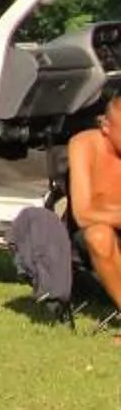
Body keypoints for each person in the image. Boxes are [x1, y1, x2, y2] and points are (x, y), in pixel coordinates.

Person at [69, 98, 121, 311]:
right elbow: (82, 214)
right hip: (98, 237)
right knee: (98, 235)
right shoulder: (84, 145)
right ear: (106, 126)